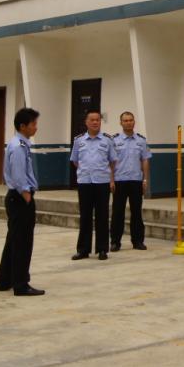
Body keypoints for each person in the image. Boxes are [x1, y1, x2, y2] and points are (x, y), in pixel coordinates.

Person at [0, 108, 45, 297]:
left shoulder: (20, 144)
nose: (36, 127)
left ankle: (5, 280)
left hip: (17, 197)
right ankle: (21, 284)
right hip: (20, 198)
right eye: (33, 124)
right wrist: (27, 197)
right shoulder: (18, 147)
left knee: (13, 240)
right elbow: (18, 176)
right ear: (23, 126)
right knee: (22, 243)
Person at [70, 110, 117, 261]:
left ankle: (102, 249)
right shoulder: (78, 140)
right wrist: (86, 171)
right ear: (86, 122)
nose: (95, 122)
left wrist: (110, 179)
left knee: (102, 216)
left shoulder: (107, 140)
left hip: (102, 182)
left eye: (97, 120)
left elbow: (112, 161)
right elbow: (75, 161)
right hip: (85, 182)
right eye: (92, 120)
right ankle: (83, 250)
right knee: (85, 216)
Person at [110, 112, 152, 251]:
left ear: (134, 122)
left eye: (130, 120)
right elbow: (110, 162)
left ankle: (138, 241)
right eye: (125, 120)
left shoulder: (141, 140)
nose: (128, 122)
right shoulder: (114, 140)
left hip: (136, 180)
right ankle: (115, 242)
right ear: (121, 123)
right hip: (119, 180)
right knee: (118, 213)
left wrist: (145, 179)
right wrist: (111, 180)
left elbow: (145, 160)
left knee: (136, 212)